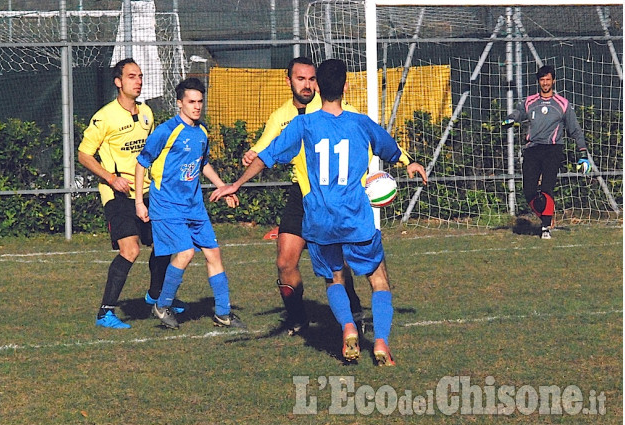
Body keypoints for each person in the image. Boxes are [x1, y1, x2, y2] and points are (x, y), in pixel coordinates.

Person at [211, 59, 427, 366]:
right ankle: (380, 343)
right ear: (345, 87)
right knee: (378, 280)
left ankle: (348, 328)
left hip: (320, 220)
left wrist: (237, 184)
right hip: (355, 217)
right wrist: (411, 163)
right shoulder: (360, 122)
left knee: (334, 279)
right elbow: (390, 150)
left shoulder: (302, 124)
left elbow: (266, 156)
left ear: (318, 88)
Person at [242, 56, 365, 336]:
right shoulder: (281, 116)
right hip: (302, 194)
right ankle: (297, 317)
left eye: (312, 79)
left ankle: (353, 309)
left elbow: (366, 137)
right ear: (289, 81)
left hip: (333, 195)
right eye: (301, 79)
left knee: (338, 262)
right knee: (285, 262)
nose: (307, 85)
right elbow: (264, 149)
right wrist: (250, 156)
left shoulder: (337, 109)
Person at [78, 58, 185, 329]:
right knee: (131, 249)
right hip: (118, 195)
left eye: (139, 76)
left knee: (164, 245)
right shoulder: (104, 117)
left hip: (147, 192)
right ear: (118, 82)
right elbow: (84, 155)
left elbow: (150, 154)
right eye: (131, 77)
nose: (138, 81)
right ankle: (105, 313)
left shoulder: (147, 113)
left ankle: (155, 297)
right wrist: (111, 178)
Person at [135, 77, 245, 330]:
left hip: (194, 206)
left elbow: (202, 164)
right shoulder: (166, 130)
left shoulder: (203, 132)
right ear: (179, 103)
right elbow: (142, 163)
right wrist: (140, 203)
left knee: (213, 253)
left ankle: (223, 313)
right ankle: (162, 305)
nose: (197, 106)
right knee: (185, 252)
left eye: (200, 102)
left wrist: (223, 187)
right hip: (166, 205)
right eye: (191, 102)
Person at [502, 64, 590, 239]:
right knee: (529, 191)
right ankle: (546, 217)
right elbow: (519, 112)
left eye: (548, 79)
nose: (545, 83)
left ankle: (545, 228)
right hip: (533, 149)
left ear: (554, 81)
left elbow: (575, 130)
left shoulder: (562, 104)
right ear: (538, 82)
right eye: (542, 80)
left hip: (553, 149)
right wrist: (510, 119)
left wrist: (583, 154)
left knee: (547, 187)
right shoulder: (530, 101)